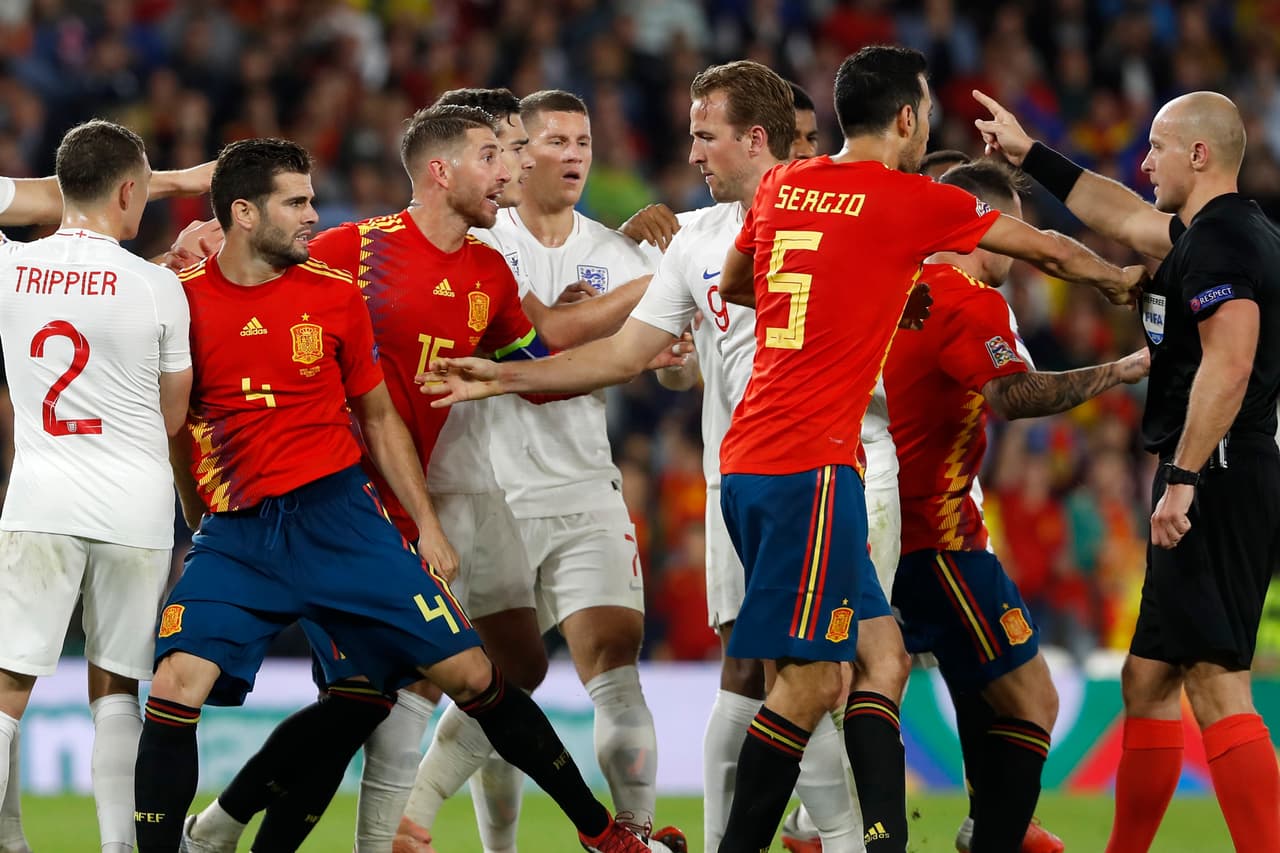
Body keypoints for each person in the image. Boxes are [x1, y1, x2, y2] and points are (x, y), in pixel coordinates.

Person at [425, 46, 1140, 852]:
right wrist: (1119, 282)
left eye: (706, 136)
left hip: (754, 462)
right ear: (908, 119)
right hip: (814, 464)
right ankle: (841, 840)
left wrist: (510, 377)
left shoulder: (788, 191)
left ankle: (839, 838)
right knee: (807, 682)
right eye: (928, 113)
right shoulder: (905, 199)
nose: (694, 153)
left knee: (850, 664)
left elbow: (725, 289)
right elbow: (1043, 249)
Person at [130, 136, 657, 853]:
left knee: (470, 674)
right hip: (242, 532)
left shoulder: (335, 293)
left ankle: (603, 833)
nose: (314, 214)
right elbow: (173, 421)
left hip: (345, 519)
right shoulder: (179, 299)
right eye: (297, 202)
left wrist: (428, 526)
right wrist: (193, 508)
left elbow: (378, 416)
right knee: (174, 686)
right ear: (245, 214)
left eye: (314, 199)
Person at [976, 86, 1280, 853]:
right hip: (1214, 465)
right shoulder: (1214, 231)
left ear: (1200, 155)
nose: (1143, 162)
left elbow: (1231, 361)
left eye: (1157, 147)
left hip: (1213, 469)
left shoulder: (1221, 246)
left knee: (1215, 681)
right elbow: (1114, 212)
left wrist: (1182, 478)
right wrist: (1031, 155)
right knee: (1147, 680)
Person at [884, 159, 1144, 853]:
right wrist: (1118, 371)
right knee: (1034, 699)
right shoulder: (967, 298)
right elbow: (1014, 395)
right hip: (939, 539)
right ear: (980, 225)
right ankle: (993, 836)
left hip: (879, 530)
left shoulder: (893, 283)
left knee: (947, 687)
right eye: (1015, 231)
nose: (1022, 247)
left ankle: (963, 822)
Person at [0, 120, 193, 853]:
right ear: (126, 191)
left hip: (41, 498)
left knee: (9, 690)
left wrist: (58, 193)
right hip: (135, 509)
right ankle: (119, 848)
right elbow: (174, 414)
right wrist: (169, 181)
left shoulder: (11, 268)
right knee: (116, 691)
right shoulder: (158, 287)